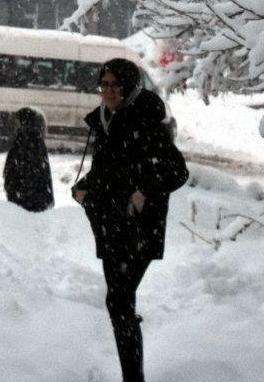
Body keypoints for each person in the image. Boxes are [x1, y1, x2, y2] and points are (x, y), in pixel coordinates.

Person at [73, 58, 188, 382]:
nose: (109, 91)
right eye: (104, 84)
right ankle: (132, 374)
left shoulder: (146, 122)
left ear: (130, 86)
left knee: (118, 301)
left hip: (139, 227)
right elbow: (108, 171)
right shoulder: (105, 122)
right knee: (118, 303)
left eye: (116, 85)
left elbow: (177, 172)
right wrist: (85, 187)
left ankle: (133, 377)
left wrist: (144, 191)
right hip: (111, 224)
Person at [3, 107, 55, 212]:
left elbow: (11, 169)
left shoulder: (21, 140)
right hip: (37, 202)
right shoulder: (38, 141)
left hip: (20, 202)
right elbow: (44, 174)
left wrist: (13, 191)